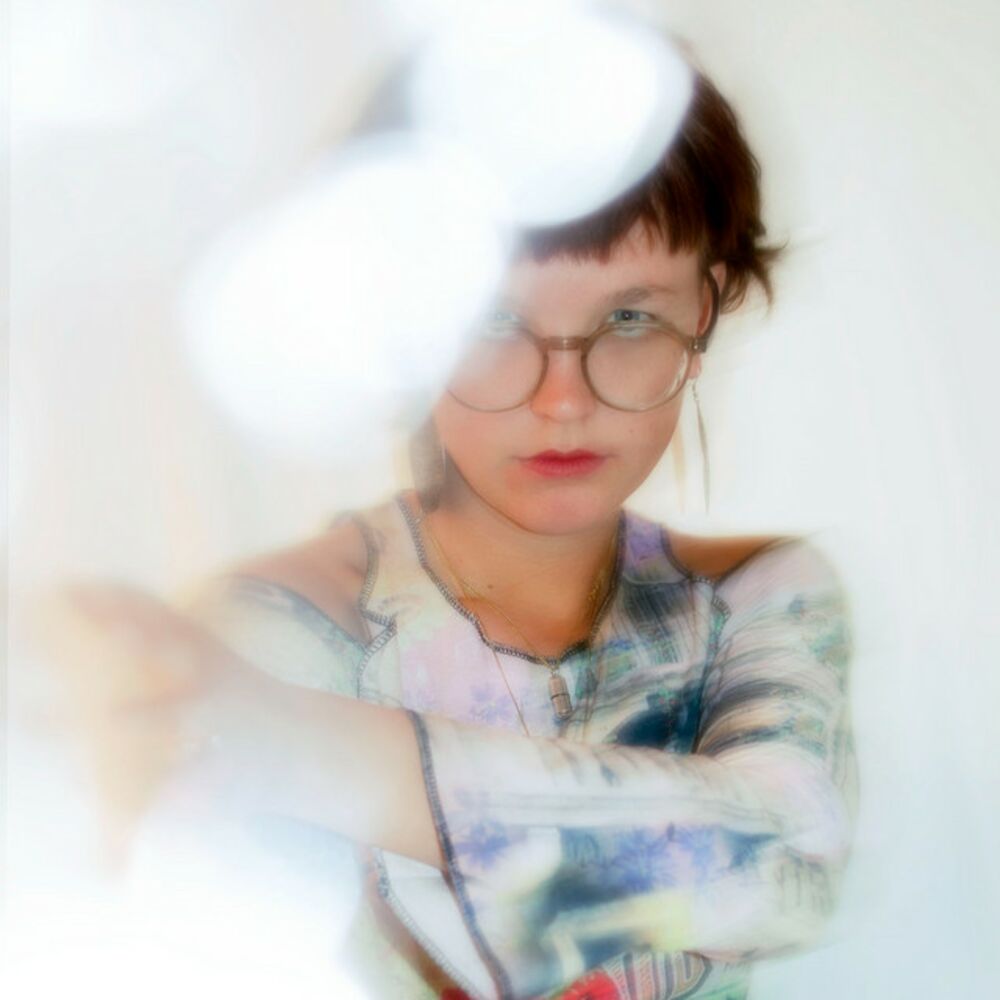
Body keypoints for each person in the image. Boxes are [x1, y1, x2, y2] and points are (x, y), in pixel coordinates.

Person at [41, 52, 858, 1000]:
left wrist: (295, 743)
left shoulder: (757, 596)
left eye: (631, 318)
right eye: (493, 321)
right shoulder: (280, 625)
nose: (563, 400)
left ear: (704, 308)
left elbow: (788, 860)